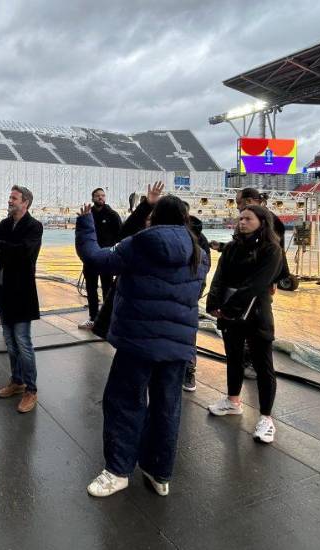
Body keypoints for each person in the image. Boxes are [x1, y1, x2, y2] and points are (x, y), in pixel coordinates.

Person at [76, 194, 209, 498]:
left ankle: (118, 470)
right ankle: (159, 472)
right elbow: (196, 290)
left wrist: (85, 225)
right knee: (167, 407)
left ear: (154, 217)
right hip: (178, 344)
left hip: (138, 340)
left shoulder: (141, 243)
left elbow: (96, 259)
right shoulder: (199, 252)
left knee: (125, 403)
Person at [117, 183, 211, 392]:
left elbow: (120, 240)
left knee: (130, 394)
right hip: (177, 317)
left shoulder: (143, 240)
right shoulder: (194, 244)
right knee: (166, 398)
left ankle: (189, 370)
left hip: (145, 322)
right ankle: (188, 370)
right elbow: (203, 271)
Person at [206, 205, 284, 444]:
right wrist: (214, 303)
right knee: (234, 357)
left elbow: (258, 284)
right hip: (230, 313)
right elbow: (219, 277)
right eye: (240, 218)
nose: (242, 222)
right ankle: (233, 400)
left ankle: (266, 417)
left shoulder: (272, 250)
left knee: (263, 365)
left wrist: (228, 308)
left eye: (248, 218)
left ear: (262, 221)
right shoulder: (232, 247)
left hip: (257, 313)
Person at [210, 187, 289, 380]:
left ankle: (253, 361)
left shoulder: (269, 222)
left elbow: (274, 250)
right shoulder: (247, 222)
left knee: (255, 321)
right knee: (240, 323)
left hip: (259, 279)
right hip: (245, 280)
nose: (238, 209)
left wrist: (275, 278)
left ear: (250, 201)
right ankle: (244, 360)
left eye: (238, 202)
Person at [0, 186, 44, 414]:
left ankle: (31, 390)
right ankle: (17, 381)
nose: (10, 201)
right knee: (10, 343)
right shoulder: (4, 225)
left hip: (22, 294)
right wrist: (7, 249)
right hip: (4, 292)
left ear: (26, 203)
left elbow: (25, 253)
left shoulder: (34, 227)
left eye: (14, 198)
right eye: (10, 197)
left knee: (23, 343)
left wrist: (6, 248)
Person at [78, 187, 122, 330]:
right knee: (91, 289)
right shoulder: (88, 215)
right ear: (93, 198)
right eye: (98, 196)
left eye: (103, 195)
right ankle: (93, 318)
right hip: (91, 260)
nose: (101, 198)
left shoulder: (112, 215)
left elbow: (120, 236)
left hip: (106, 258)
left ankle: (107, 320)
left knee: (107, 290)